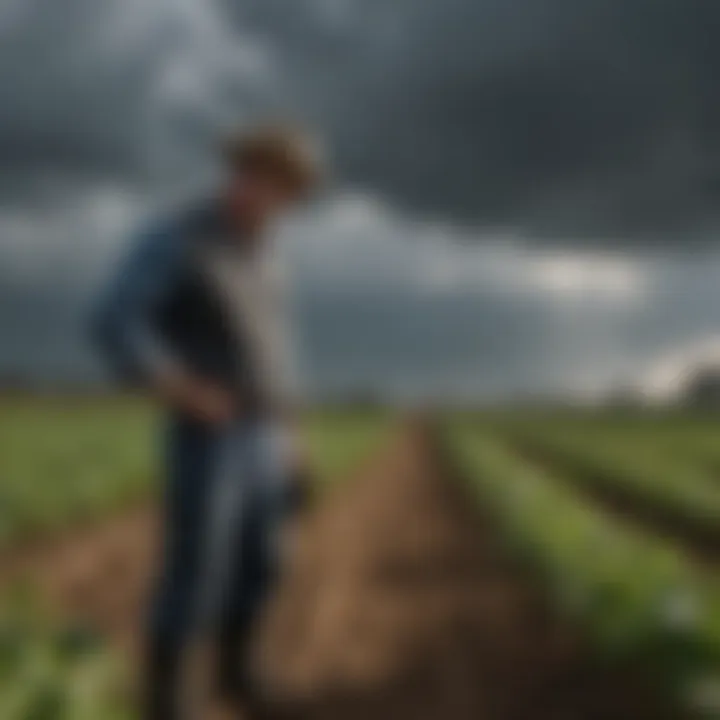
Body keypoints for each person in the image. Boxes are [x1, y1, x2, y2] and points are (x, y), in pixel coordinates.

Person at [91, 125, 322, 719]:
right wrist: (176, 386)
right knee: (197, 568)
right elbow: (115, 318)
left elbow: (275, 355)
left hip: (267, 433)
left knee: (265, 560)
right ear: (235, 170)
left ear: (291, 196)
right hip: (211, 434)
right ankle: (167, 702)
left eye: (275, 181)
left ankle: (237, 673)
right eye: (249, 171)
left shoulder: (270, 258)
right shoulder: (179, 236)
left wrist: (292, 437)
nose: (256, 188)